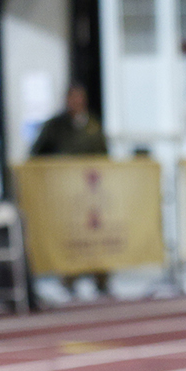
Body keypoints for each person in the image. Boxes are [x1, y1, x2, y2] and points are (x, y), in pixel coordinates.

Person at [30, 83, 110, 298]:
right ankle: (69, 277)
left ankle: (101, 277)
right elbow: (35, 154)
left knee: (95, 232)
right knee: (69, 234)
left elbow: (104, 155)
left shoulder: (93, 124)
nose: (76, 103)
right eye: (72, 98)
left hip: (90, 193)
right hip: (64, 192)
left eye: (79, 98)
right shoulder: (54, 126)